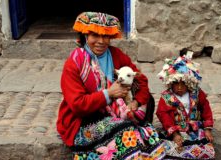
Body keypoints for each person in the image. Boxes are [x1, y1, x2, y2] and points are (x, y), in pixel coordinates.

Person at [56, 12, 165, 160]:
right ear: (85, 36)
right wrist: (109, 94)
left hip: (115, 113)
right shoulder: (74, 64)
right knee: (126, 131)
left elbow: (140, 80)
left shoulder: (115, 55)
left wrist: (135, 102)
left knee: (147, 102)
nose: (101, 41)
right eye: (95, 35)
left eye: (106, 36)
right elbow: (77, 105)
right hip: (84, 122)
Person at [156, 53, 215, 159]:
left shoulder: (197, 93)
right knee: (172, 149)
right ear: (170, 83)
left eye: (183, 83)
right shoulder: (167, 97)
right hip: (177, 130)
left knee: (206, 150)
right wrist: (174, 134)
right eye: (176, 83)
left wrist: (207, 129)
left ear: (189, 82)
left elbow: (206, 109)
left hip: (195, 130)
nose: (179, 87)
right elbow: (163, 114)